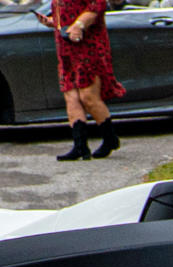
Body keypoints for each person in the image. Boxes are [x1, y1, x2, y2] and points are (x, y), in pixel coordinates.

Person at [50, 0, 119, 160]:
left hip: (88, 46)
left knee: (88, 96)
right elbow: (64, 11)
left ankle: (110, 139)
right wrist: (52, 21)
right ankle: (80, 146)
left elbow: (98, 4)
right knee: (71, 95)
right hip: (66, 48)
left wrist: (79, 24)